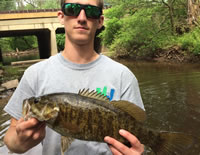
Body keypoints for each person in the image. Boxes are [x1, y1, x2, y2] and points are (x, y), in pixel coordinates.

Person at [3, 0, 145, 154]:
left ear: (100, 21)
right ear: (61, 16)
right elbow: (10, 137)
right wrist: (18, 143)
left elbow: (137, 135)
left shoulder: (123, 76)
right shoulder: (35, 74)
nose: (82, 17)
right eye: (73, 9)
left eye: (91, 11)